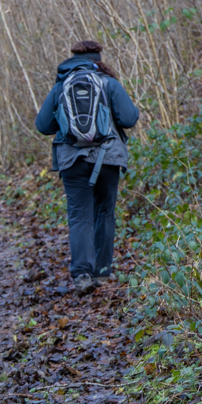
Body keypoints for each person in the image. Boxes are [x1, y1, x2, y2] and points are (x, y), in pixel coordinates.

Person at [34, 40, 139, 295]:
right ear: (99, 60)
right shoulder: (108, 83)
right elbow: (129, 118)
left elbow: (43, 125)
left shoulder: (61, 86)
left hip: (72, 159)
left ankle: (81, 274)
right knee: (104, 212)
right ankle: (102, 272)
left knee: (79, 214)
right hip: (108, 157)